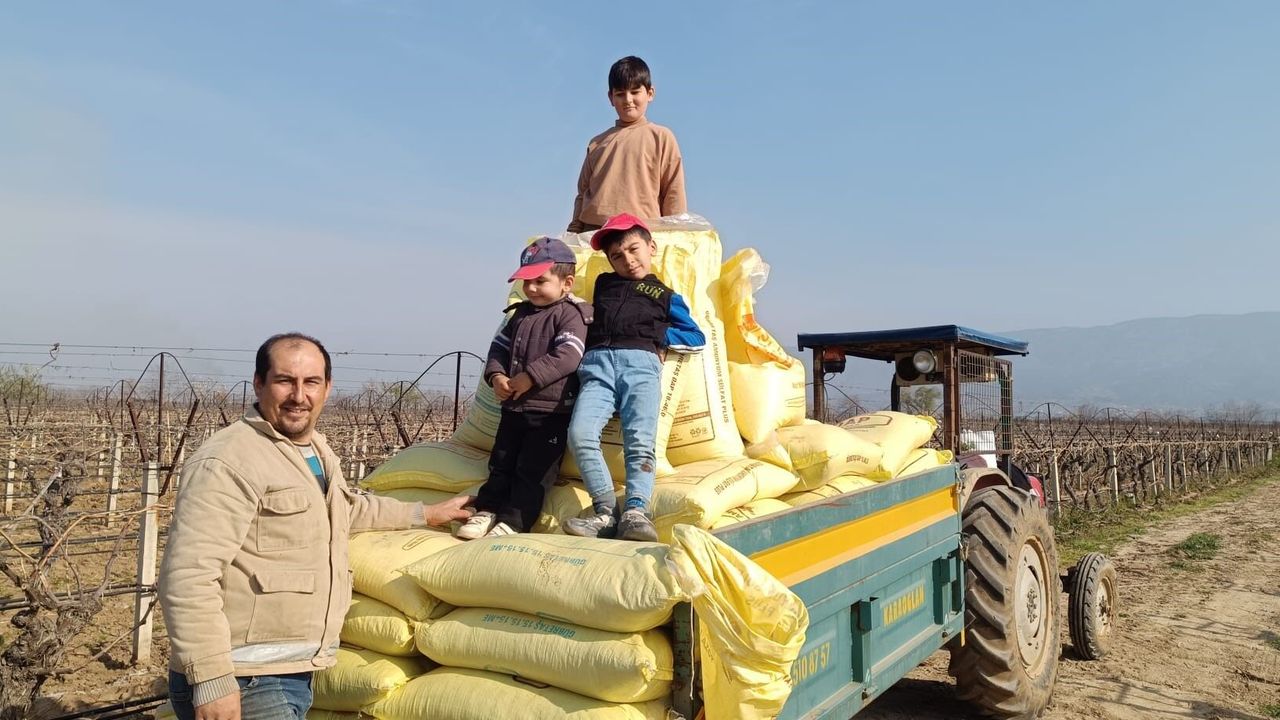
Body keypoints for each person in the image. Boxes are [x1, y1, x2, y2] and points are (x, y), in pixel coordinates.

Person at [158, 333, 472, 720]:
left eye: (311, 382)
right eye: (284, 381)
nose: (299, 396)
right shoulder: (230, 460)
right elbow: (188, 576)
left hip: (287, 672)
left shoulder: (315, 451)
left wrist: (427, 514)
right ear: (258, 383)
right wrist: (211, 681)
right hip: (245, 678)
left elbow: (343, 511)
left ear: (327, 388)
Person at [563, 213, 705, 542]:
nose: (627, 259)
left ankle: (637, 512)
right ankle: (605, 511)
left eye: (633, 249)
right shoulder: (603, 285)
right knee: (580, 434)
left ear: (651, 247)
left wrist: (656, 334)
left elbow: (696, 337)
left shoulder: (666, 296)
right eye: (617, 255)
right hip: (596, 368)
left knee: (640, 444)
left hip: (641, 367)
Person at [455, 237, 593, 540]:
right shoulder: (519, 314)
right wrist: (496, 376)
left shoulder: (572, 314)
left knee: (533, 471)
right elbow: (498, 350)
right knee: (501, 463)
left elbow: (568, 355)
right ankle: (486, 510)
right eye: (526, 282)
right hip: (514, 407)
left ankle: (514, 522)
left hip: (550, 413)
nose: (531, 289)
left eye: (540, 281)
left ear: (567, 283)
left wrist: (530, 377)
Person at [566, 55, 686, 233]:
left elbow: (673, 192)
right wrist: (573, 231)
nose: (628, 99)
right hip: (594, 234)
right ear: (610, 97)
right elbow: (582, 193)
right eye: (620, 94)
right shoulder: (597, 143)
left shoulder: (661, 137)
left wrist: (675, 233)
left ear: (650, 93)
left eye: (635, 92)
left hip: (640, 233)